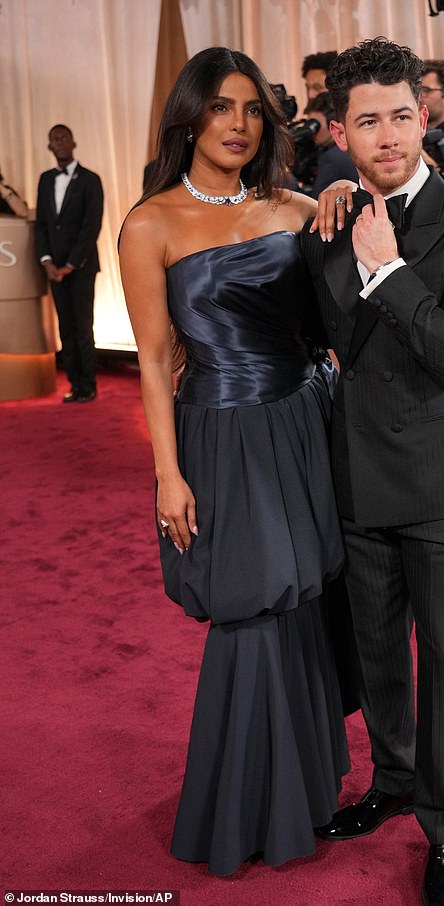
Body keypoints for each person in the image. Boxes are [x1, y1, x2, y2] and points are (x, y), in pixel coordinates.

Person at [118, 46, 349, 877]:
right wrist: (167, 474)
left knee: (301, 598)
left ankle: (306, 788)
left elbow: (327, 320)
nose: (239, 125)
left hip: (300, 419)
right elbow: (151, 359)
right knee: (251, 603)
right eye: (221, 107)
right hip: (221, 430)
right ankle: (238, 809)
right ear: (190, 116)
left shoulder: (295, 207)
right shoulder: (151, 222)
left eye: (253, 109)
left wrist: (343, 196)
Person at [302, 37, 444, 906]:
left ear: (422, 118)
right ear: (341, 132)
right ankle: (391, 782)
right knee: (379, 647)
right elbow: (334, 348)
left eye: (400, 116)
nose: (387, 135)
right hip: (360, 471)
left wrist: (386, 267)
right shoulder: (330, 219)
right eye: (367, 122)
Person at [35, 125, 103, 403]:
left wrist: (71, 264)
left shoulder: (91, 180)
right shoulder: (45, 179)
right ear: (50, 147)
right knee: (65, 327)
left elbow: (92, 226)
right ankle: (75, 384)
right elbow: (41, 225)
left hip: (82, 266)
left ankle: (89, 385)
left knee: (83, 326)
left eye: (63, 137)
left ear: (73, 142)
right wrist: (48, 261)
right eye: (54, 139)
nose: (60, 143)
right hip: (54, 269)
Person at [304, 91, 358, 195]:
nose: (312, 132)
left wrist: (289, 182)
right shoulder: (354, 149)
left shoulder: (332, 158)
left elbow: (316, 202)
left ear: (332, 126)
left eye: (315, 125)